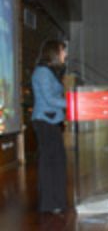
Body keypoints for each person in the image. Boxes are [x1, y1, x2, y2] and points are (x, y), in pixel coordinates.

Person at [31, 40, 67, 214]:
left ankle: (56, 202)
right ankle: (49, 203)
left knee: (56, 161)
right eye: (62, 51)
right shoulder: (43, 72)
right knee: (50, 162)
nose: (65, 55)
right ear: (54, 52)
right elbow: (50, 99)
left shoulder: (49, 71)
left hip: (51, 121)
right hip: (45, 121)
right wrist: (72, 103)